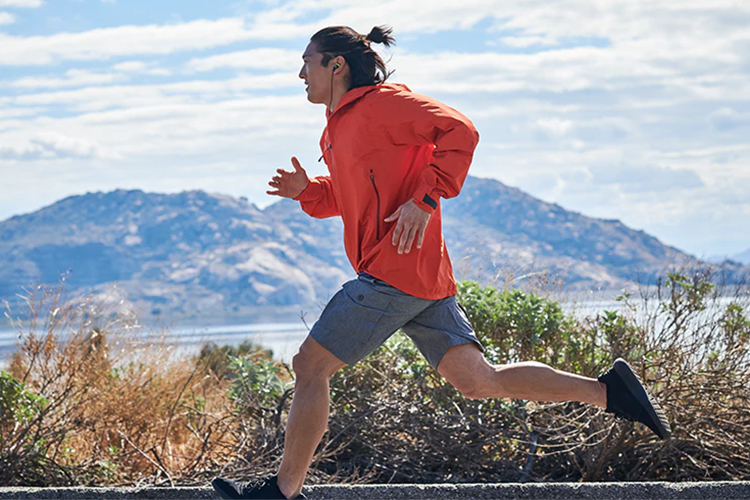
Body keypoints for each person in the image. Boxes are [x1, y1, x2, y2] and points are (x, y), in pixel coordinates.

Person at [212, 25, 671, 500]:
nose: (298, 72)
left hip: (393, 273)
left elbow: (461, 130)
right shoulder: (337, 127)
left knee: (310, 366)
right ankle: (609, 392)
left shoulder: (386, 105)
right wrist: (306, 190)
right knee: (478, 380)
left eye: (307, 61)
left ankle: (282, 492)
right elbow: (350, 197)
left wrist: (427, 199)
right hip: (421, 277)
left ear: (336, 65)